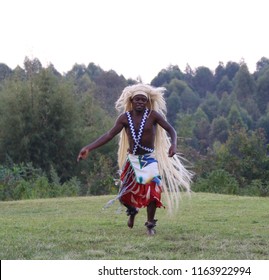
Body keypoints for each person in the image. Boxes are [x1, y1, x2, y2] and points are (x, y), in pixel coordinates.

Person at [77, 84, 192, 235]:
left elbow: (171, 130)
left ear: (147, 101)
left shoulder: (153, 116)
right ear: (131, 101)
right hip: (132, 160)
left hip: (149, 159)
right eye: (137, 99)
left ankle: (150, 225)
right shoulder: (125, 118)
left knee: (153, 192)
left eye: (143, 100)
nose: (140, 102)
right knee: (124, 195)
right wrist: (89, 148)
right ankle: (132, 211)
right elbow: (109, 135)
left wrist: (174, 145)